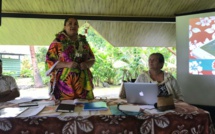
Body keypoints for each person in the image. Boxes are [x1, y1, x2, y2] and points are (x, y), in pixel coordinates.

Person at [45, 17, 95, 101]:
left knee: (84, 109)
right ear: (64, 26)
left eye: (75, 24)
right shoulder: (57, 42)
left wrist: (86, 64)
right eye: (70, 23)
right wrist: (67, 64)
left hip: (82, 83)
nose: (73, 26)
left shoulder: (83, 42)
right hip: (64, 85)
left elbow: (92, 59)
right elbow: (49, 62)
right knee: (65, 109)